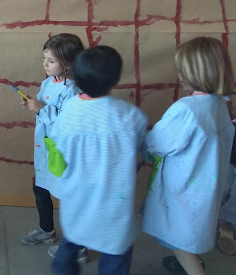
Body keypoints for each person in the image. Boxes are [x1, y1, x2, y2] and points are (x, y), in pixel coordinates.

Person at [50, 46, 147, 275]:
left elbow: (57, 148)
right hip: (115, 205)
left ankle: (63, 267)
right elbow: (142, 148)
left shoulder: (68, 111)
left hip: (77, 197)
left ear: (76, 76)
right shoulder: (130, 115)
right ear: (115, 79)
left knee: (73, 237)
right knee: (115, 253)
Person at [141, 37, 235, 274]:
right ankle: (191, 262)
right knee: (188, 232)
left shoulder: (187, 109)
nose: (179, 75)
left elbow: (158, 143)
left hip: (183, 189)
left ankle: (194, 269)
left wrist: (142, 143)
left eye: (182, 70)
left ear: (195, 72)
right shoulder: (219, 103)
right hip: (204, 186)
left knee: (178, 239)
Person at [19, 34, 85, 261]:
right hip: (46, 149)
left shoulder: (74, 90)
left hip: (63, 152)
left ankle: (77, 246)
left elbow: (68, 124)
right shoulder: (48, 82)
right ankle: (46, 230)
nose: (45, 64)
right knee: (40, 187)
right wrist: (33, 105)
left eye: (51, 61)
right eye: (44, 59)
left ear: (68, 63)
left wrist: (41, 109)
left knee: (69, 196)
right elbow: (43, 110)